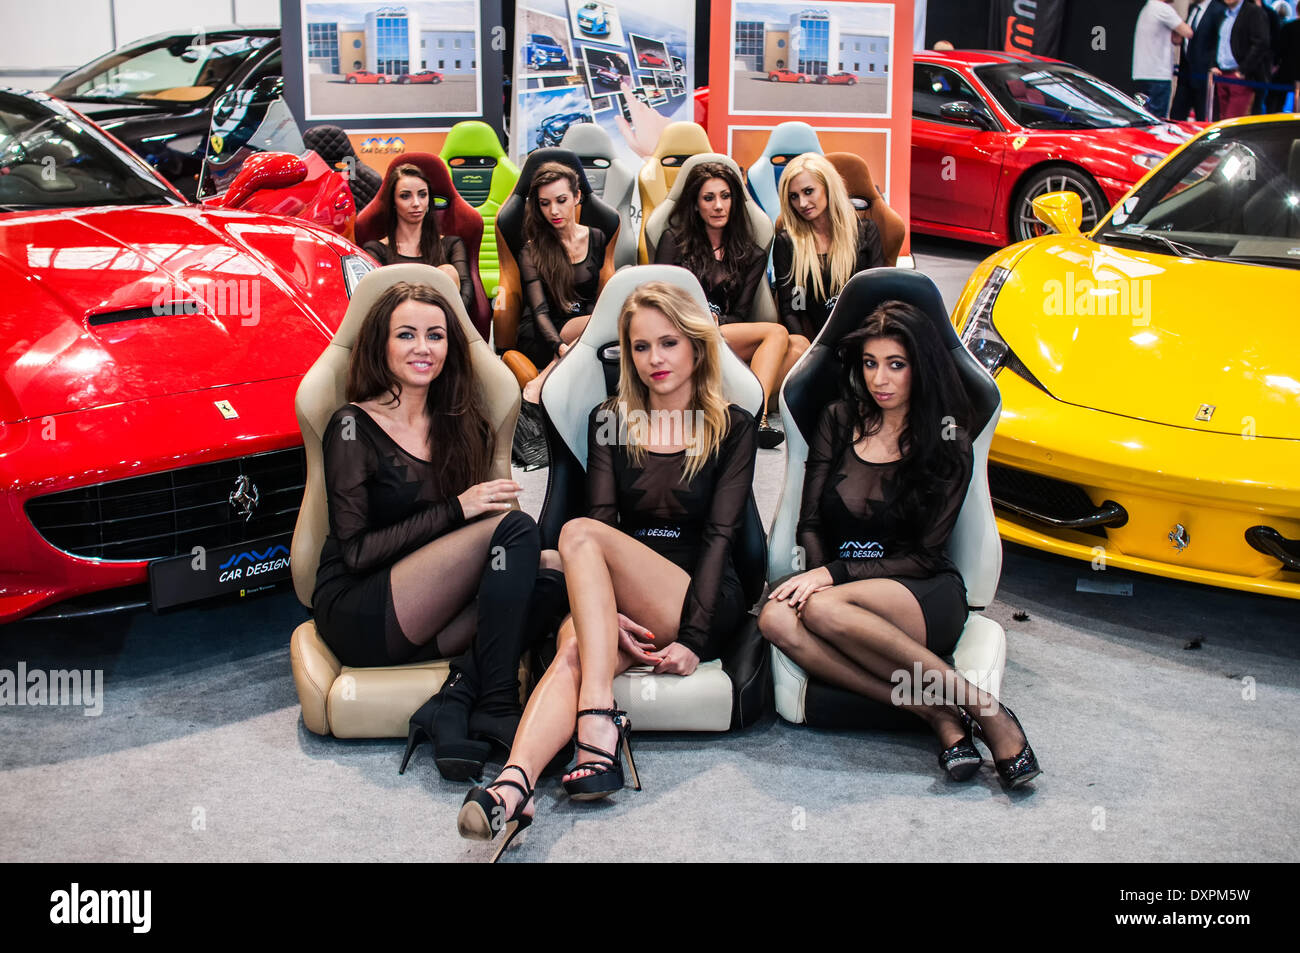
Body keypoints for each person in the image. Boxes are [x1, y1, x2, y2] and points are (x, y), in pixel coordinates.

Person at [456, 281, 760, 862]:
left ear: (696, 345)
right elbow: (604, 522)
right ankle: (514, 786)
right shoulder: (609, 420)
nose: (655, 361)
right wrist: (606, 612)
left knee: (575, 534)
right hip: (619, 594)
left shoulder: (734, 425)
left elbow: (721, 535)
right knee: (574, 645)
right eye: (640, 348)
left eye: (668, 343)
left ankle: (598, 716)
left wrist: (695, 639)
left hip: (700, 595)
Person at [757, 300, 1041, 789]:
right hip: (843, 587)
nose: (879, 379)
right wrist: (821, 575)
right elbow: (809, 522)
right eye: (870, 364)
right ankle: (936, 715)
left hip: (920, 587)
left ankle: (985, 709)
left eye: (896, 365)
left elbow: (926, 554)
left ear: (920, 368)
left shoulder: (948, 438)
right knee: (774, 617)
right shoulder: (838, 419)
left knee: (822, 612)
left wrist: (829, 580)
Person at [312, 281, 563, 781]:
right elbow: (357, 552)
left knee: (552, 573)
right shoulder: (351, 426)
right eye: (406, 335)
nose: (423, 348)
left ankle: (454, 699)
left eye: (436, 336)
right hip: (361, 607)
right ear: (380, 344)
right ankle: (494, 701)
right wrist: (457, 509)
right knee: (516, 530)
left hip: (426, 613)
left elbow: (469, 555)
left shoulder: (460, 426)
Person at [654, 160, 808, 448]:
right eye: (708, 198)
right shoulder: (674, 241)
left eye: (725, 197)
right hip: (680, 331)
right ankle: (754, 417)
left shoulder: (751, 254)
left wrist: (717, 323)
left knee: (799, 345)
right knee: (777, 333)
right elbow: (657, 297)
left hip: (723, 334)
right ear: (696, 204)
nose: (718, 206)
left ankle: (727, 407)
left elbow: (740, 313)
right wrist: (696, 320)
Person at [517, 161, 609, 402]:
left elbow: (600, 297)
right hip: (543, 333)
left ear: (577, 196)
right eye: (545, 204)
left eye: (561, 200)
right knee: (600, 326)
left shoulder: (597, 237)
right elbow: (539, 312)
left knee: (616, 318)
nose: (554, 211)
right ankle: (547, 374)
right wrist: (560, 347)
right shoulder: (531, 250)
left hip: (582, 327)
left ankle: (548, 374)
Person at [772, 153, 884, 341]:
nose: (802, 203)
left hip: (865, 338)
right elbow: (791, 310)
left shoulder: (866, 232)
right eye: (793, 197)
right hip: (818, 345)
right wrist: (807, 353)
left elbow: (880, 296)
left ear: (828, 188)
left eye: (808, 191)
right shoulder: (788, 243)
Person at [362, 163, 475, 316]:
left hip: (443, 327)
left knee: (448, 271)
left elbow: (466, 295)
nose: (416, 203)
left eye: (422, 195)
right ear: (393, 202)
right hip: (394, 328)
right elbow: (373, 303)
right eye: (405, 196)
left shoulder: (451, 245)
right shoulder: (375, 250)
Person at [1132, 0, 1195, 120]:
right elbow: (1188, 32)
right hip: (1158, 74)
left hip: (1145, 72)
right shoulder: (1163, 9)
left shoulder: (1149, 7)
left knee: (1146, 116)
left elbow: (1176, 40)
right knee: (1157, 119)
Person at [1213, 0, 1273, 118]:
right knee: (1221, 123)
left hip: (1241, 78)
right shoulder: (1223, 13)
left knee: (1234, 123)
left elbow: (1262, 43)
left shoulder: (1253, 12)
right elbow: (1217, 41)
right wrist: (1213, 64)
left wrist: (1243, 70)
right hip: (1221, 75)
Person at [1172, 1, 1227, 121]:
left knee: (1202, 117)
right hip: (1185, 73)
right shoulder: (1193, 8)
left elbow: (1219, 42)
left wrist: (1213, 65)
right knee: (1176, 116)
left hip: (1205, 75)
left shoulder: (1218, 9)